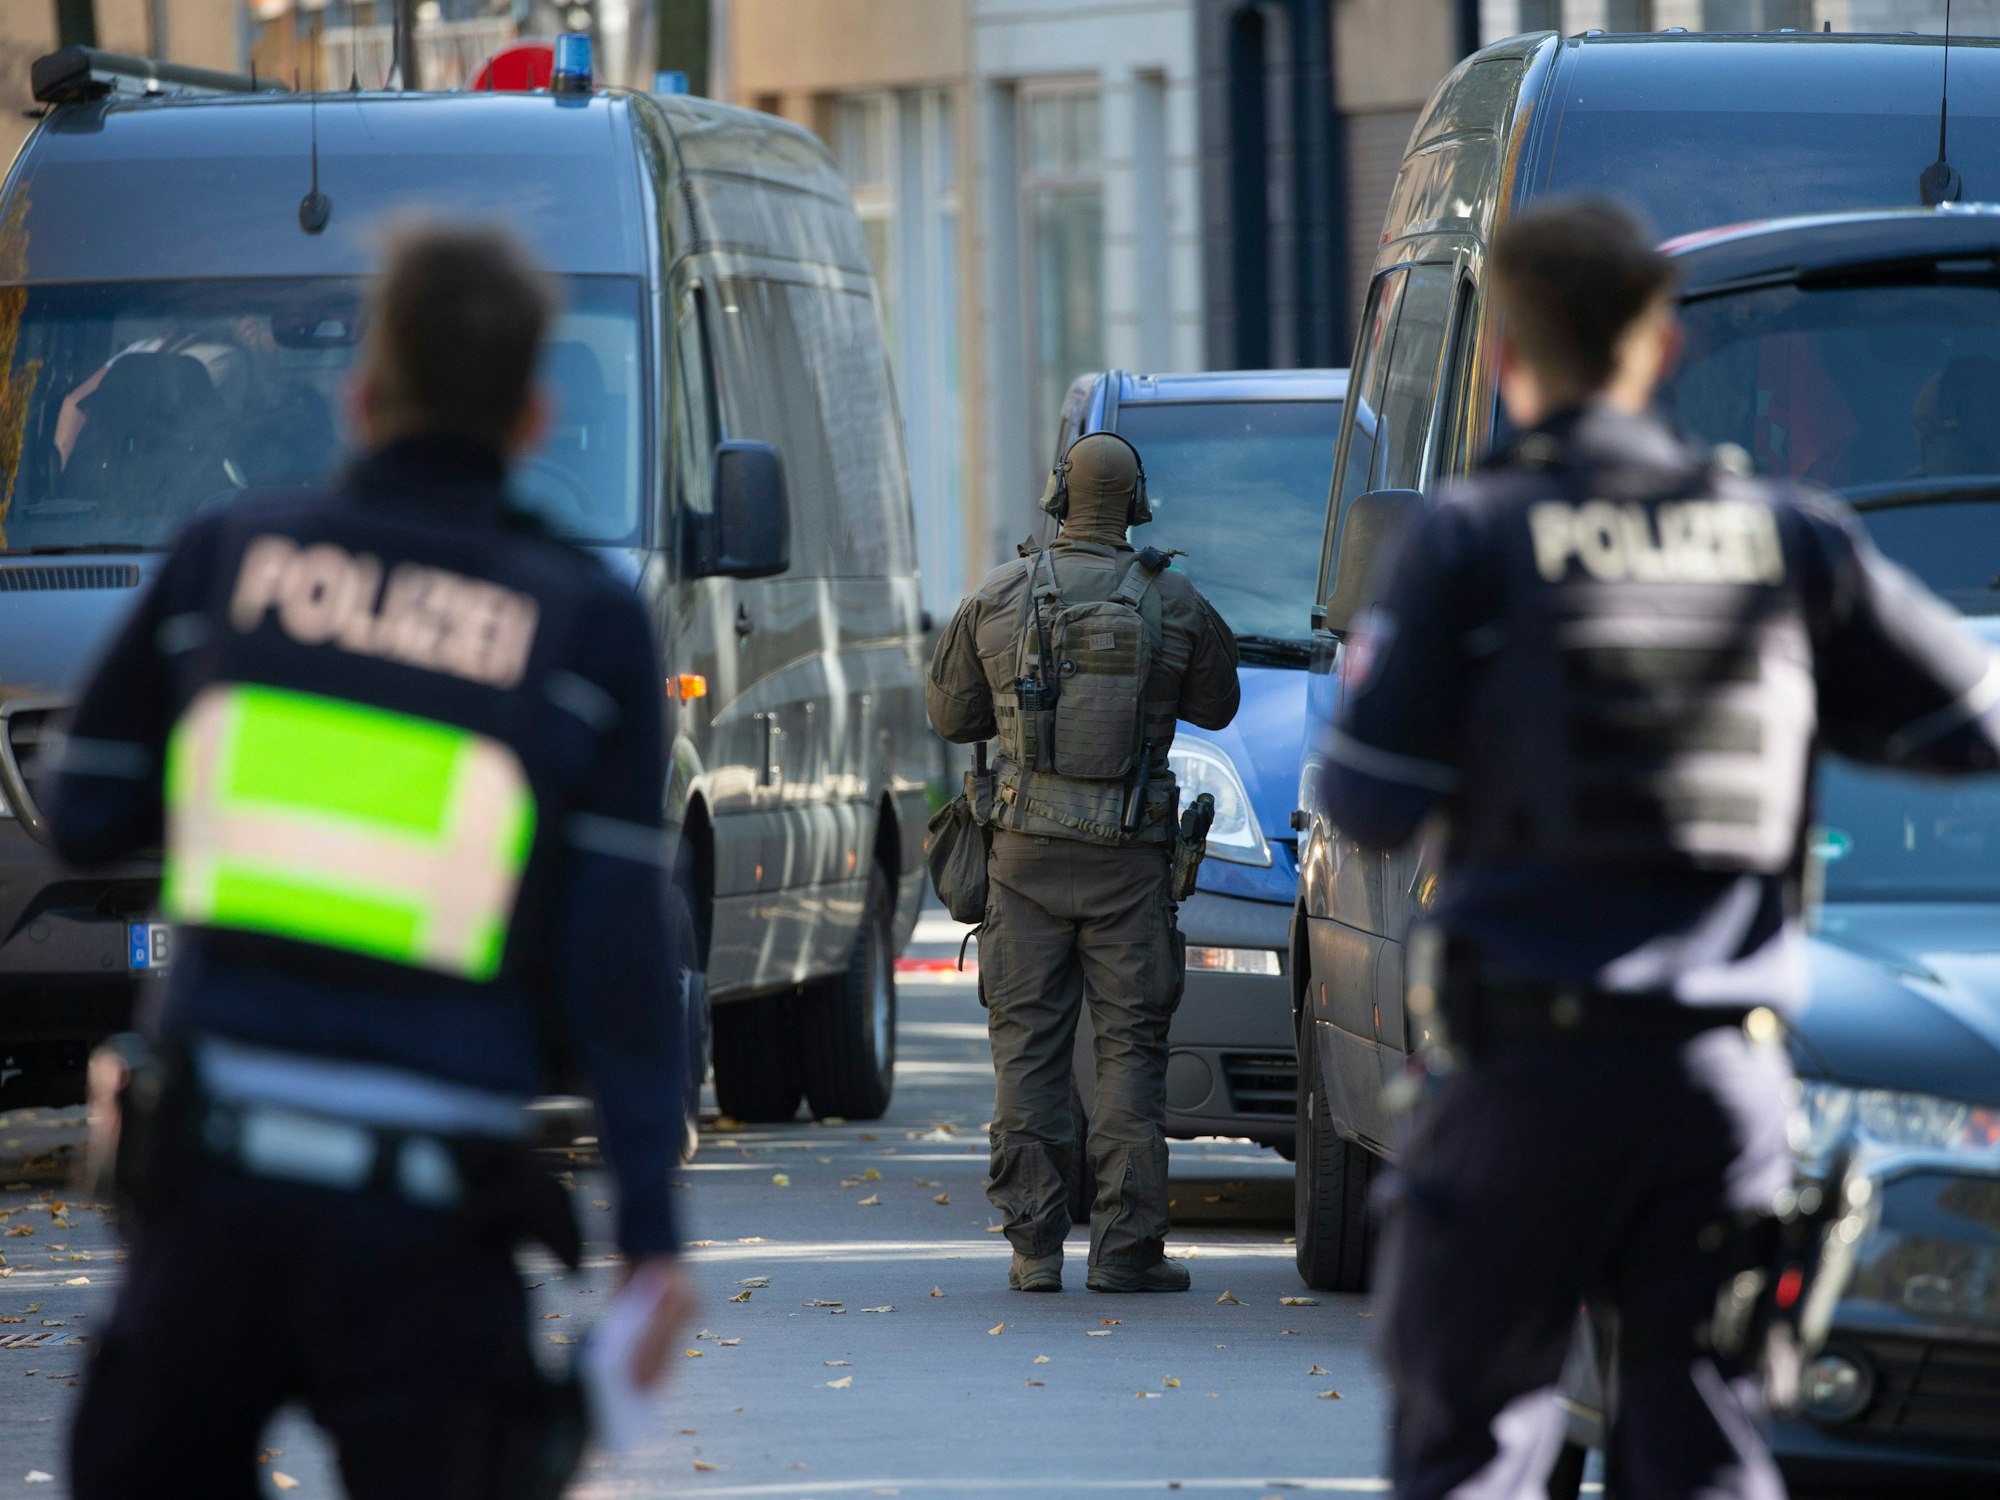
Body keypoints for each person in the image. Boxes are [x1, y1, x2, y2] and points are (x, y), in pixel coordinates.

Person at [1316, 195, 2000, 1500]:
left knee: (1472, 1448)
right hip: (1714, 1089)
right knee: (1701, 1449)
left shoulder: (1470, 540)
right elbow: (1969, 723)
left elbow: (1368, 801)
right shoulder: (1785, 540)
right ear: (1663, 346)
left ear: (1506, 353)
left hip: (1523, 1082)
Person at [50, 224, 695, 1500]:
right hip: (427, 1237)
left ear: (361, 396)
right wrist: (651, 1235)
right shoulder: (585, 625)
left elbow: (83, 810)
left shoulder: (230, 561)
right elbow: (621, 955)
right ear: (530, 418)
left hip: (213, 1207)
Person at [927, 431, 1240, 1293]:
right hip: (1130, 868)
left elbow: (952, 718)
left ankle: (1034, 1249)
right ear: (1137, 505)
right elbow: (1219, 704)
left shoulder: (999, 594)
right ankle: (1126, 1250)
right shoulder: (1173, 599)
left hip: (1022, 861)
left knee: (1027, 1053)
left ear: (1057, 497)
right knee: (1130, 1053)